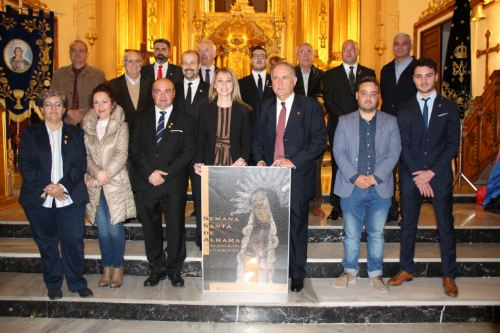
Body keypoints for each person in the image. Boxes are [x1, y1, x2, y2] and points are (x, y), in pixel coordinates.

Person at [389, 57, 461, 297]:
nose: (423, 80)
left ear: (436, 77)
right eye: (418, 76)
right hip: (411, 176)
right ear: (413, 79)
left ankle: (449, 275)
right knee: (408, 225)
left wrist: (431, 173)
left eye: (428, 75)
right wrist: (419, 175)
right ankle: (406, 268)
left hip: (438, 177)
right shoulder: (405, 108)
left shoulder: (449, 108)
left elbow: (452, 144)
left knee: (446, 227)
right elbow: (403, 144)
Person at [252, 62, 327, 292]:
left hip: (297, 177)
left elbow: (318, 141)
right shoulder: (263, 107)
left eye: (285, 78)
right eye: (275, 78)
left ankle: (296, 272)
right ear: (271, 82)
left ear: (294, 81)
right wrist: (260, 161)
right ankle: (265, 269)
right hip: (268, 180)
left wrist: (293, 160)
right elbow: (256, 140)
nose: (280, 82)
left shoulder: (310, 106)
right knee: (265, 226)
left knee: (296, 228)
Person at [18, 89, 92, 300]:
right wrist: (49, 186)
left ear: (65, 108)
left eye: (58, 104)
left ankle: (77, 282)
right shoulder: (30, 133)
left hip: (70, 197)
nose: (53, 109)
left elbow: (80, 164)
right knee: (47, 242)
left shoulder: (75, 133)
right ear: (41, 109)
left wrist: (63, 187)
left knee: (73, 241)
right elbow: (24, 164)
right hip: (38, 198)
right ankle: (53, 283)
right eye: (48, 104)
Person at [331, 76, 401, 293]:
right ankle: (349, 271)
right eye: (364, 93)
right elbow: (338, 152)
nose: (368, 97)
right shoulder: (344, 121)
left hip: (380, 189)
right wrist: (355, 177)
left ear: (378, 97)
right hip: (351, 187)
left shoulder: (391, 121)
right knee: (351, 233)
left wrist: (375, 177)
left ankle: (375, 273)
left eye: (373, 93)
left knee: (376, 234)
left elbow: (394, 152)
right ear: (357, 95)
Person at [129, 78, 195, 288]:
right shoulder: (140, 118)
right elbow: (134, 148)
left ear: (174, 94)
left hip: (173, 183)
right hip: (146, 182)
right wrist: (150, 173)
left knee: (176, 228)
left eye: (168, 91)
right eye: (158, 91)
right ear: (152, 94)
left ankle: (175, 270)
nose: (163, 95)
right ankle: (156, 269)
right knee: (151, 229)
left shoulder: (186, 119)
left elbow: (188, 152)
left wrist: (164, 174)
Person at [82, 81, 136, 289]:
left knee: (115, 227)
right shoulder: (87, 126)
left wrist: (106, 174)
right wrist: (97, 174)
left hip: (115, 182)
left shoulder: (121, 125)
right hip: (95, 183)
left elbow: (122, 154)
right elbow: (85, 155)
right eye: (96, 102)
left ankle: (118, 268)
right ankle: (107, 267)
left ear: (113, 104)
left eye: (104, 101)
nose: (100, 106)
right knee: (102, 229)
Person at [194, 68, 253, 248]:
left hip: (234, 164)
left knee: (233, 205)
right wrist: (197, 161)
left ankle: (233, 238)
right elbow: (199, 139)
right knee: (209, 204)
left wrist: (243, 158)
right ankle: (206, 239)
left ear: (233, 84)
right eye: (220, 81)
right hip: (210, 164)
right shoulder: (204, 108)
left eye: (228, 80)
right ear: (214, 84)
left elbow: (247, 140)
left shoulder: (244, 110)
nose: (224, 85)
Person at [323, 40, 376, 221]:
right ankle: (337, 205)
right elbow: (328, 100)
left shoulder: (369, 73)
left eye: (351, 48)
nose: (348, 51)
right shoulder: (331, 74)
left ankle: (365, 200)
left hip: (367, 124)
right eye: (345, 48)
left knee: (365, 160)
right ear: (341, 52)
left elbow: (373, 97)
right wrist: (347, 118)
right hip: (339, 124)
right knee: (340, 164)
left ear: (357, 51)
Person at [380, 32, 417, 222]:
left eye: (404, 43)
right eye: (396, 43)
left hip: (409, 127)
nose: (400, 46)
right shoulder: (385, 70)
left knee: (407, 169)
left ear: (411, 46)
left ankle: (407, 210)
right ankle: (391, 209)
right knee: (387, 168)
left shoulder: (417, 68)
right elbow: (385, 96)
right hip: (387, 125)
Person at [173, 50, 210, 223]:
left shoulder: (211, 90)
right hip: (176, 153)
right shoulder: (172, 89)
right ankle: (176, 246)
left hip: (200, 152)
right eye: (185, 63)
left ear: (199, 65)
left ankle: (202, 241)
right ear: (181, 65)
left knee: (201, 197)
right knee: (175, 200)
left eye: (192, 63)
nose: (188, 67)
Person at [294, 42, 326, 218]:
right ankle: (295, 199)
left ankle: (315, 203)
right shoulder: (290, 74)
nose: (305, 55)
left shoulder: (322, 75)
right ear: (297, 55)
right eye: (302, 51)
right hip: (294, 125)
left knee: (316, 164)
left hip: (315, 125)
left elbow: (326, 98)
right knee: (295, 161)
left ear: (313, 55)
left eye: (308, 51)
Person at [51, 40, 105, 126]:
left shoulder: (98, 74)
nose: (77, 53)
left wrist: (80, 116)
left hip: (90, 123)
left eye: (81, 50)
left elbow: (103, 100)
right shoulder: (59, 73)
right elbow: (53, 97)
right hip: (63, 121)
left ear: (87, 55)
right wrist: (69, 112)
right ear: (69, 53)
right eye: (73, 50)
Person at [237, 190, 280, 284]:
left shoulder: (279, 233)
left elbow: (280, 263)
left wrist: (259, 260)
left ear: (271, 206)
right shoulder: (250, 232)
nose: (260, 211)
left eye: (263, 205)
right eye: (257, 206)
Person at [109, 50, 154, 124]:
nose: (134, 64)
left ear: (141, 63)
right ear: (123, 64)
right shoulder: (113, 84)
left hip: (145, 128)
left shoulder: (151, 84)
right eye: (130, 61)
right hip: (122, 129)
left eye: (137, 61)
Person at [239, 46, 275, 123]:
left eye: (262, 56)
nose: (259, 59)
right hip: (249, 127)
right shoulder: (241, 83)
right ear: (251, 60)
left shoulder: (275, 80)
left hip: (271, 125)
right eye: (255, 56)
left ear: (266, 60)